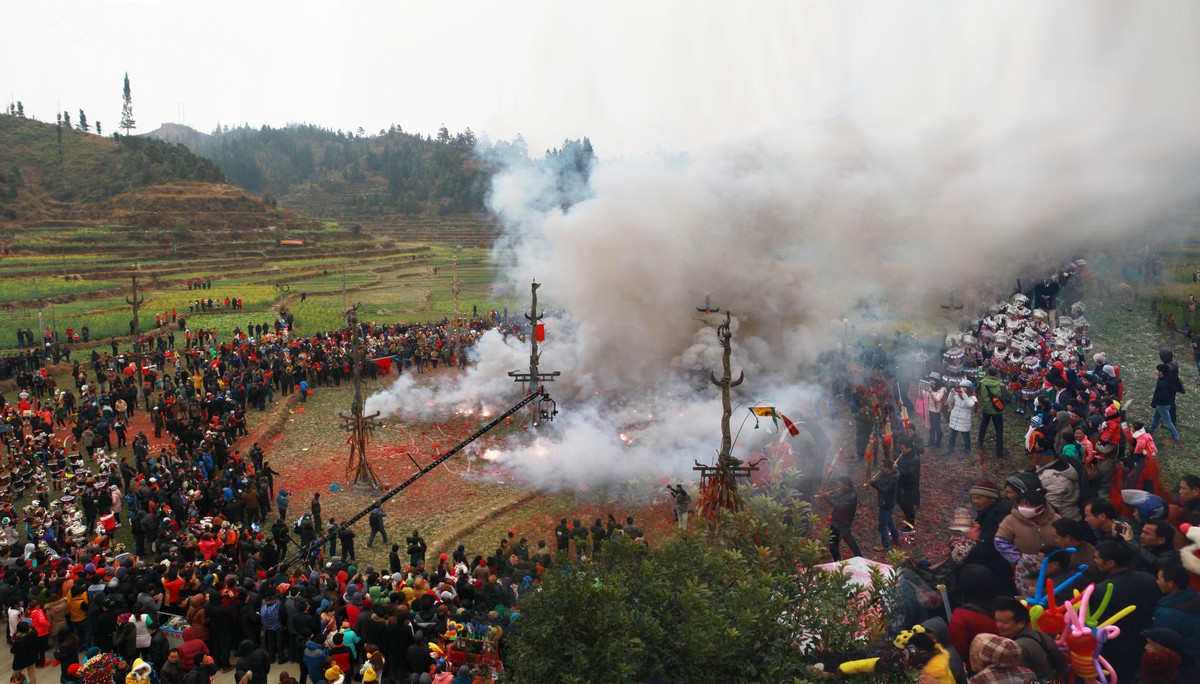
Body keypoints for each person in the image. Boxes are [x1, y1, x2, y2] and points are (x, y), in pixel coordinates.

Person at [1090, 540, 1161, 682]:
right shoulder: (1149, 579)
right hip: (1147, 643)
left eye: (1097, 558)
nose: (1095, 561)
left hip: (1116, 649)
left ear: (1110, 563)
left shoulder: (1102, 589)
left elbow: (1097, 622)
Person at [991, 597, 1064, 683]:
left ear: (1021, 623)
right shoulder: (1040, 634)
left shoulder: (1017, 647)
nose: (999, 625)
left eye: (1004, 622)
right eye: (997, 621)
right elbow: (1061, 664)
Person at [950, 564, 999, 663]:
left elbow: (958, 647)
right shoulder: (1011, 603)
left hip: (979, 665)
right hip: (1011, 659)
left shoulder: (961, 614)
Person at [1152, 564, 1200, 660]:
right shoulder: (1196, 597)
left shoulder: (1165, 612)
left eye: (1159, 578)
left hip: (1179, 661)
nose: (1157, 582)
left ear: (1170, 583)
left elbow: (1162, 642)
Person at [816, 476, 861, 561]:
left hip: (841, 523)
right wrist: (827, 495)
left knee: (833, 546)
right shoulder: (844, 491)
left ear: (847, 486)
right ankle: (859, 556)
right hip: (839, 521)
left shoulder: (851, 496)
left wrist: (826, 497)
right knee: (849, 539)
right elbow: (836, 497)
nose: (839, 487)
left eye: (841, 485)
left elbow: (838, 506)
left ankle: (838, 563)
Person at [977, 367, 1013, 459]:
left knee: (983, 425)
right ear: (996, 374)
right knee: (999, 430)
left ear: (987, 373)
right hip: (997, 410)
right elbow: (1009, 396)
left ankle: (980, 442)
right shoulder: (1001, 385)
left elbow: (976, 391)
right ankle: (999, 452)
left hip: (986, 408)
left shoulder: (981, 383)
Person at [866, 459, 900, 552]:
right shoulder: (884, 474)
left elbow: (885, 490)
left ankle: (885, 545)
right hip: (885, 502)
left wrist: (874, 483)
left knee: (882, 525)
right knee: (890, 522)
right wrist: (873, 483)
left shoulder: (892, 479)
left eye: (882, 466)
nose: (880, 468)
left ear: (887, 468)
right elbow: (879, 485)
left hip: (886, 503)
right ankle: (896, 538)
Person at [1149, 363, 1182, 443]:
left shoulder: (1163, 383)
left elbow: (1163, 395)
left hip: (1162, 404)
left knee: (1168, 421)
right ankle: (1151, 430)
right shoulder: (1167, 379)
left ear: (1161, 372)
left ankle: (1176, 437)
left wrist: (1156, 398)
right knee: (1156, 417)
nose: (1157, 372)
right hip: (1164, 404)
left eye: (1158, 370)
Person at [946, 380, 977, 458]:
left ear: (969, 389)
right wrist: (951, 394)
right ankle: (950, 448)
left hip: (964, 420)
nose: (962, 389)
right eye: (961, 387)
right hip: (954, 418)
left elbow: (969, 404)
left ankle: (967, 450)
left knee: (965, 437)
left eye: (964, 387)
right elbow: (949, 401)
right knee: (952, 436)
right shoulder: (957, 395)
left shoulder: (972, 397)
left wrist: (964, 394)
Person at [895, 439, 921, 531]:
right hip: (901, 482)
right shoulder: (904, 455)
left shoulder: (915, 459)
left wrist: (898, 468)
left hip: (909, 484)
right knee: (898, 499)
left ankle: (910, 525)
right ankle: (906, 514)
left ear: (909, 448)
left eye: (903, 448)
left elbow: (909, 473)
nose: (901, 450)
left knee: (908, 504)